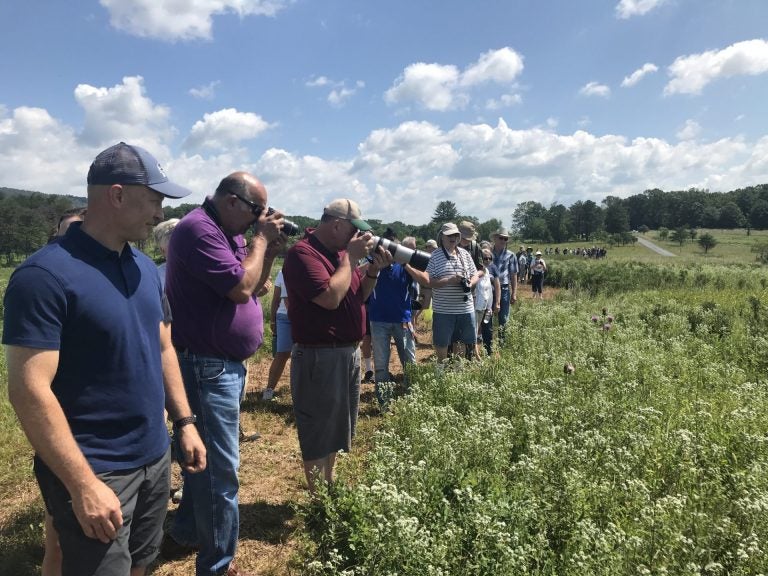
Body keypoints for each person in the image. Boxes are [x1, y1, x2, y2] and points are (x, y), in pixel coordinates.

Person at [3, 142, 206, 576]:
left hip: (153, 456)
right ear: (116, 194)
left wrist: (185, 422)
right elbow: (27, 388)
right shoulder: (44, 276)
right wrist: (82, 484)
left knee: (142, 564)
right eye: (153, 199)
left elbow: (164, 347)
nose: (158, 213)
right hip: (95, 466)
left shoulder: (144, 268)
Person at [164, 172, 285, 576]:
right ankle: (217, 565)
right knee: (220, 471)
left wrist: (265, 250)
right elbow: (238, 288)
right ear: (232, 200)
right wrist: (262, 240)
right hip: (206, 365)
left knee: (206, 462)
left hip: (218, 364)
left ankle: (186, 530)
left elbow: (255, 284)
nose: (257, 219)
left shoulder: (227, 230)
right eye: (256, 211)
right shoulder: (199, 230)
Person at [283, 198, 389, 491]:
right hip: (320, 355)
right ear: (336, 224)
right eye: (355, 230)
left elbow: (359, 296)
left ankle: (330, 485)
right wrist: (351, 260)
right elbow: (329, 298)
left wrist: (373, 271)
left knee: (338, 427)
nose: (360, 237)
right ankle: (319, 496)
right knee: (319, 427)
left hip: (346, 353)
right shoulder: (303, 254)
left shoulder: (341, 254)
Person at [366, 235, 426, 409]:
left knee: (409, 362)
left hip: (403, 320)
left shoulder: (404, 267)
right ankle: (385, 404)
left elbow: (424, 279)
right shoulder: (373, 265)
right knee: (381, 365)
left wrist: (405, 262)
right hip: (379, 321)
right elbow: (361, 272)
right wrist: (377, 264)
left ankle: (412, 400)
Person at [425, 222, 479, 364]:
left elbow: (475, 275)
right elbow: (429, 281)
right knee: (442, 343)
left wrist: (470, 283)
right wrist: (449, 280)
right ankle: (440, 372)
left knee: (460, 343)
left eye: (456, 235)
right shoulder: (435, 256)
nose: (453, 237)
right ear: (442, 237)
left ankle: (458, 373)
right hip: (444, 310)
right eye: (449, 235)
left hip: (465, 309)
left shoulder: (465, 254)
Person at [262, 267, 291, 401]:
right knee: (282, 354)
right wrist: (273, 321)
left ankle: (299, 388)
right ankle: (269, 390)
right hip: (284, 318)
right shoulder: (283, 272)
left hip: (303, 317)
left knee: (301, 355)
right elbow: (276, 299)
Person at [490, 227, 519, 345]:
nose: (503, 240)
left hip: (504, 289)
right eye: (501, 238)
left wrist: (514, 293)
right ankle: (488, 343)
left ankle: (502, 343)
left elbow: (513, 275)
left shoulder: (511, 255)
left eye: (505, 239)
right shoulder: (487, 254)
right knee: (487, 317)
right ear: (495, 238)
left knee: (504, 318)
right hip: (489, 288)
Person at [475, 249, 501, 356]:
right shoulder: (476, 268)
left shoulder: (493, 268)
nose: (488, 260)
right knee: (475, 329)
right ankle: (472, 353)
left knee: (488, 328)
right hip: (477, 303)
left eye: (490, 258)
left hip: (488, 304)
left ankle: (488, 353)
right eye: (485, 258)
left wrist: (497, 302)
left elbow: (497, 286)